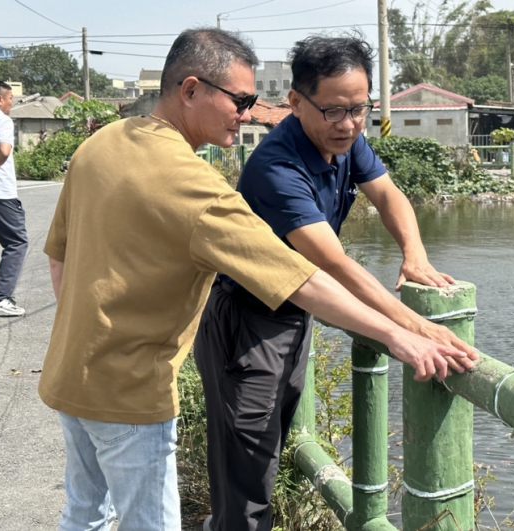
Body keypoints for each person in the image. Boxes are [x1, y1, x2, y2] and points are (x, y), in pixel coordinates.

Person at [39, 28, 476, 531]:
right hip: (136, 389)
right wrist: (402, 333)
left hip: (72, 373)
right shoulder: (197, 184)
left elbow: (59, 258)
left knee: (86, 515)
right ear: (190, 90)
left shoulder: (102, 142)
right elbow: (303, 276)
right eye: (241, 100)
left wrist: (88, 338)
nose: (248, 114)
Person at [195, 34, 476, 531]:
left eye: (359, 109)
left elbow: (390, 196)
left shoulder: (345, 139)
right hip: (250, 325)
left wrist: (414, 256)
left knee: (270, 456)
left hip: (295, 312)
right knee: (245, 484)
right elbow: (334, 265)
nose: (348, 124)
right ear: (296, 102)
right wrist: (413, 327)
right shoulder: (277, 168)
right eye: (334, 111)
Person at [0, 80, 28, 317]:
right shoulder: (1, 119)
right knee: (17, 242)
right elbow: (4, 150)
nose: (11, 103)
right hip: (0, 193)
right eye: (11, 98)